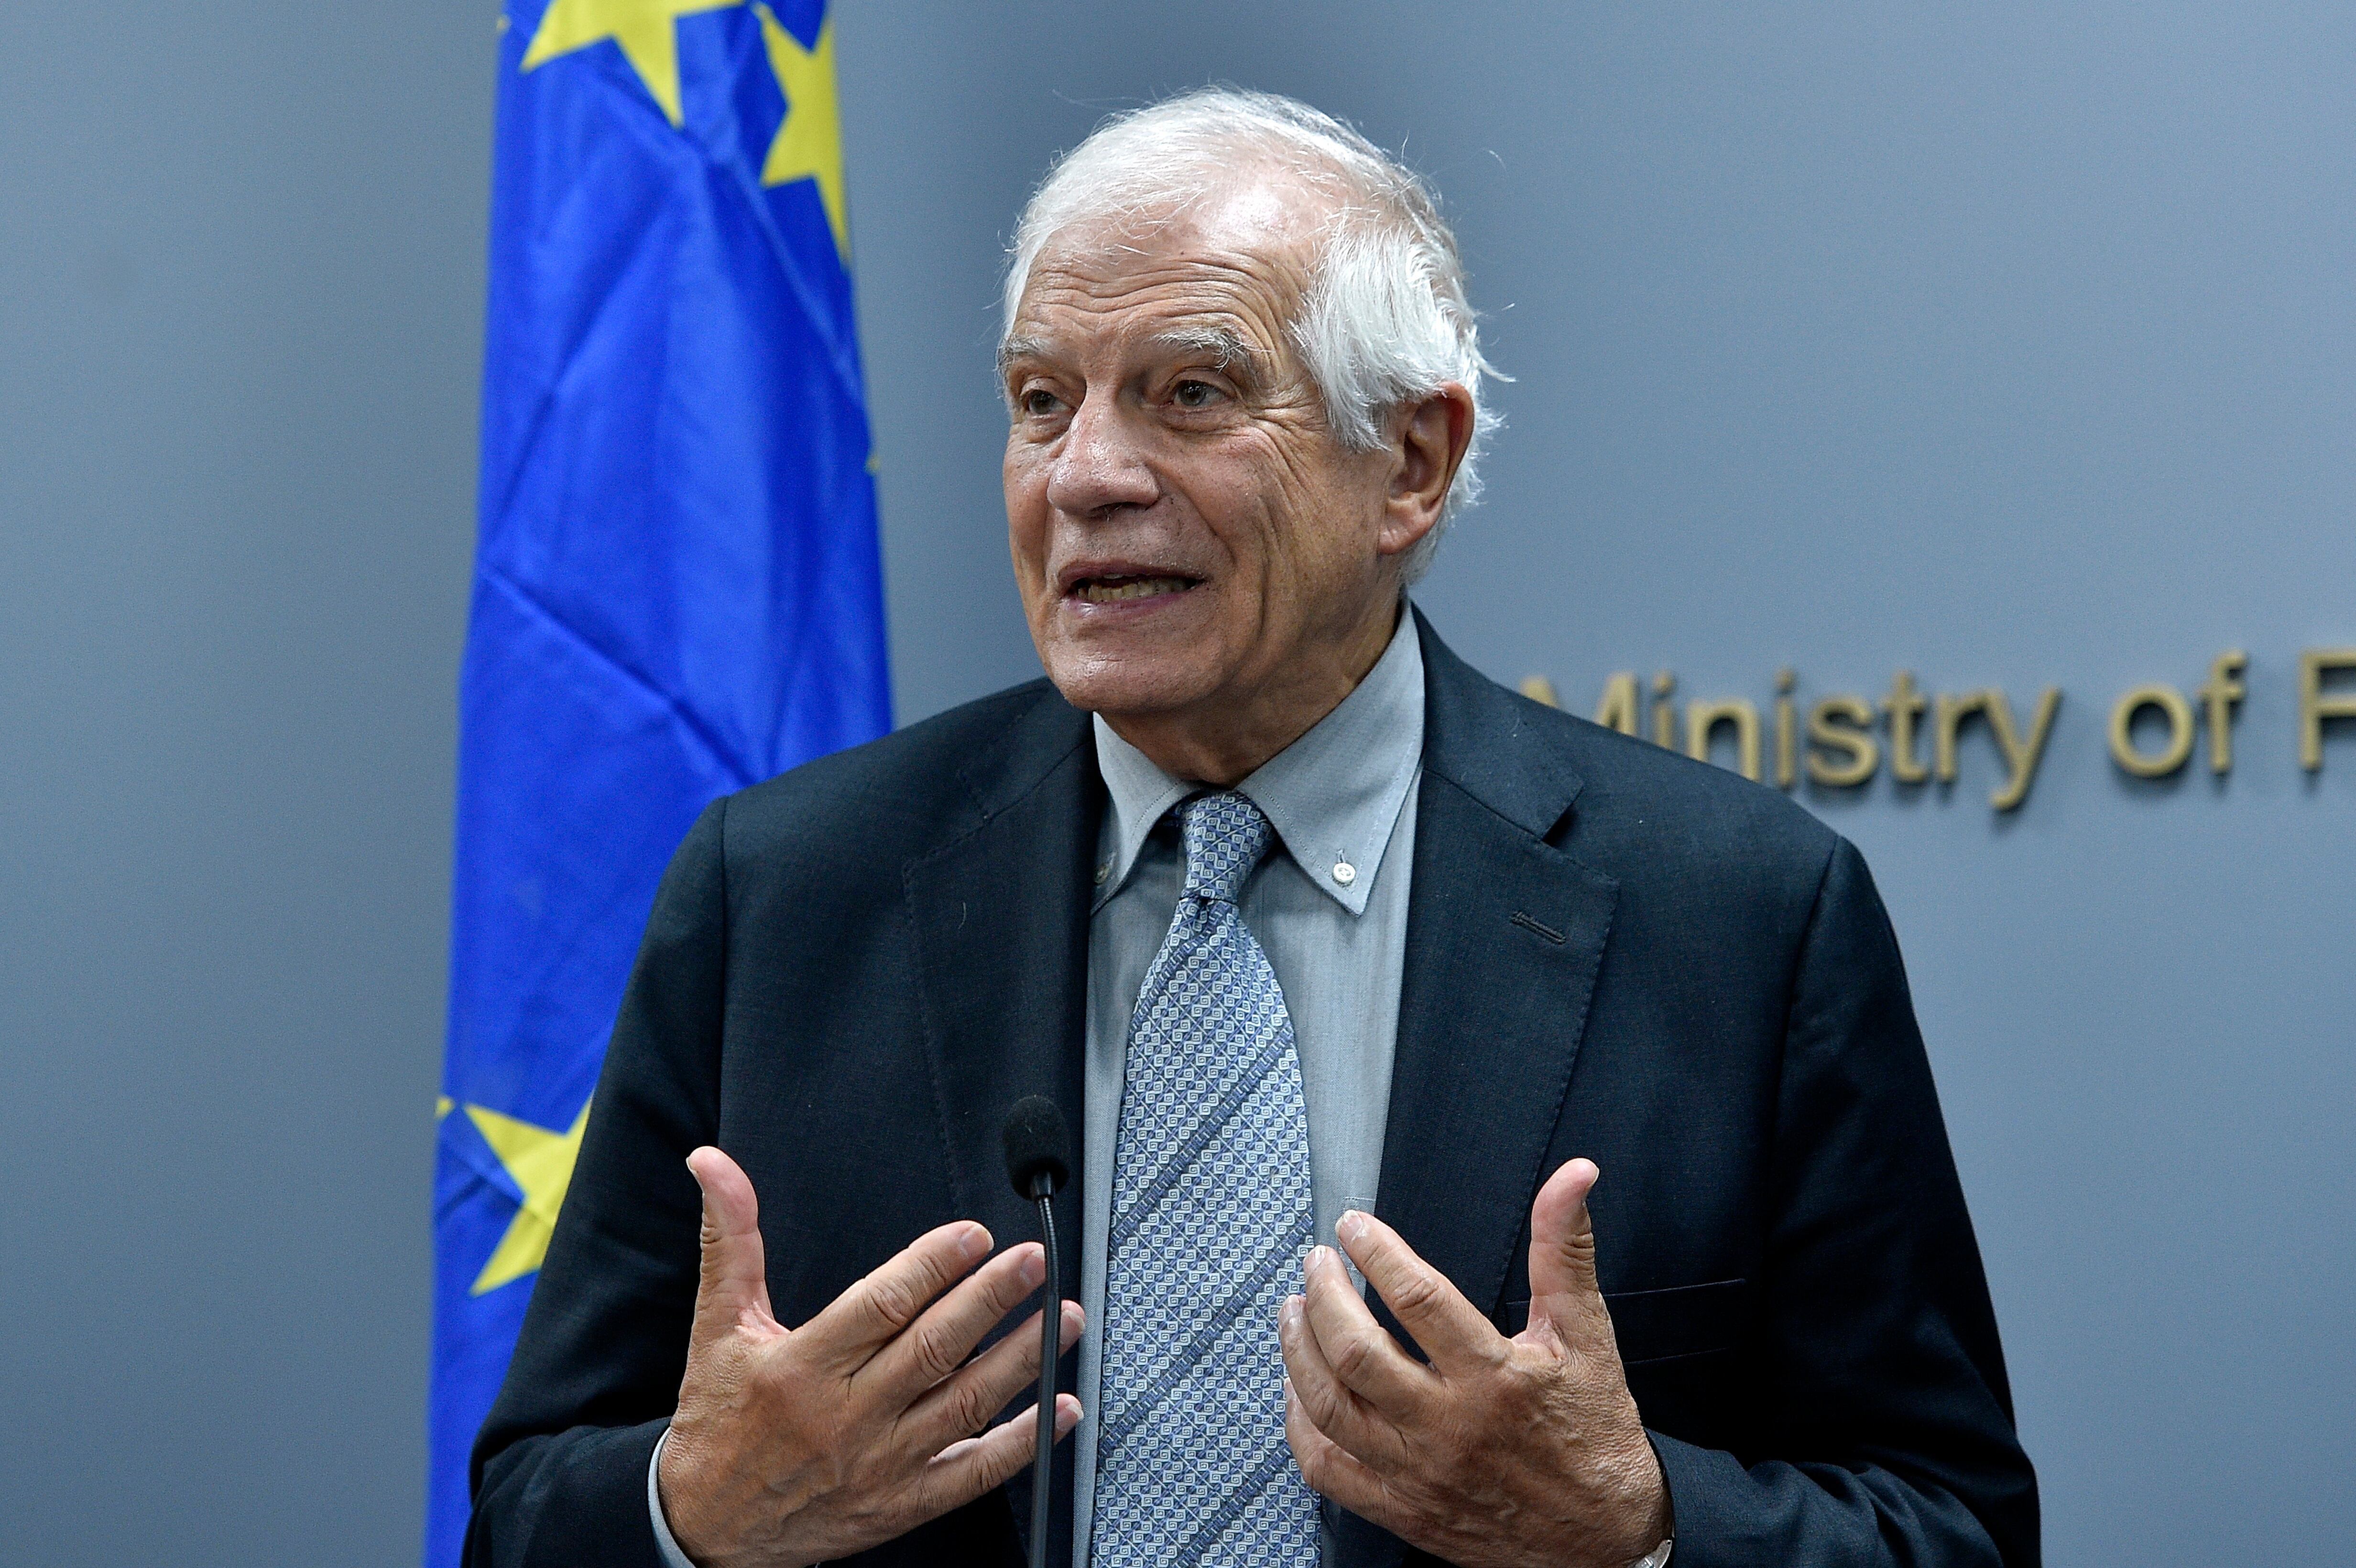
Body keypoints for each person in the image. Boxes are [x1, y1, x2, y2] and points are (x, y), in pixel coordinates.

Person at [467, 88, 2039, 1568]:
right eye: (1038, 402)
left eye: (1191, 394)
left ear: (1409, 462)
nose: (1084, 476)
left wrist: (1635, 1526)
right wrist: (699, 1511)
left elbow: (1950, 1524)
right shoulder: (785, 895)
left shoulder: (1742, 918)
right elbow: (524, 1506)